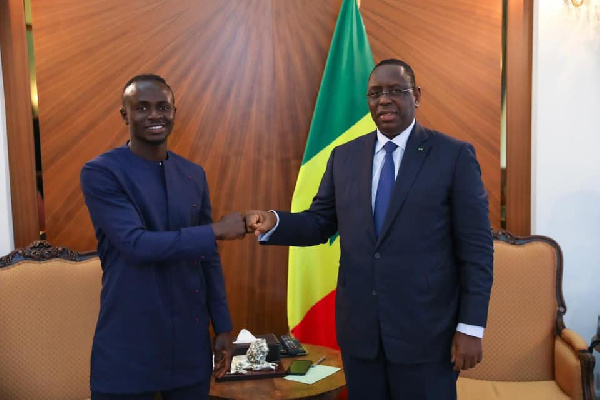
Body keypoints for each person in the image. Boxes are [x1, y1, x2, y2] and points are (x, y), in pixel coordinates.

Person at [246, 59, 493, 399]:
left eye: (396, 91)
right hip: (361, 335)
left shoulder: (452, 156)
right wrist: (275, 222)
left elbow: (477, 250)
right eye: (375, 93)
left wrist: (470, 327)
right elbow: (319, 223)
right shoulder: (344, 156)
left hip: (427, 336)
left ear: (417, 96)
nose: (384, 100)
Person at [80, 74, 246, 400]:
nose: (154, 115)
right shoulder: (101, 172)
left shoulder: (193, 174)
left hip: (189, 344)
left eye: (162, 107)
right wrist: (216, 230)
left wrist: (222, 326)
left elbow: (207, 256)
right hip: (128, 346)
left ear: (174, 112)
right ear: (125, 115)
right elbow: (135, 244)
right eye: (142, 108)